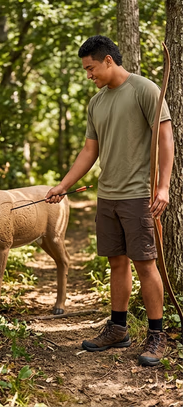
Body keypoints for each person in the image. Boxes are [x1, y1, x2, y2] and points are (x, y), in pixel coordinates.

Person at [45, 35, 173, 367]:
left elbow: (165, 137)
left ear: (108, 61)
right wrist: (63, 185)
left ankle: (157, 334)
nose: (89, 75)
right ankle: (118, 328)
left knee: (145, 264)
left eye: (91, 69)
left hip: (138, 195)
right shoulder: (96, 103)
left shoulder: (144, 90)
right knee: (116, 262)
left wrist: (163, 187)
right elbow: (90, 150)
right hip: (108, 194)